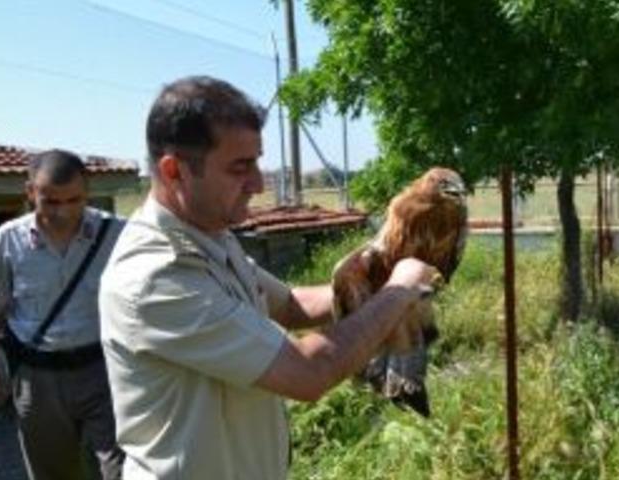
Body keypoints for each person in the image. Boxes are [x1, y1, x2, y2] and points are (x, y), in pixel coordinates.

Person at [98, 75, 439, 479]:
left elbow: (291, 305)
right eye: (240, 168)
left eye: (257, 162)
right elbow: (308, 373)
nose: (258, 184)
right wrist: (399, 292)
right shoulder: (156, 275)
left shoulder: (210, 236)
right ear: (174, 171)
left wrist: (372, 280)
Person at [0, 149, 126, 480]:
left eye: (74, 200)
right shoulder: (8, 241)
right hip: (38, 378)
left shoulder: (117, 234)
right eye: (51, 202)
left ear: (87, 191)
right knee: (53, 472)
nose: (64, 211)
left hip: (105, 370)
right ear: (31, 192)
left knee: (124, 469)